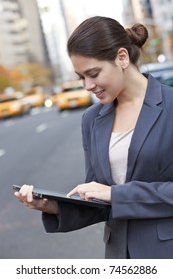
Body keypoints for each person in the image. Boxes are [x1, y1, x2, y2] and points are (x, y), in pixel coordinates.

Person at [14, 16, 173, 259]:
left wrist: (116, 194)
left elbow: (112, 196)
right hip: (118, 256)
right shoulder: (92, 119)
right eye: (81, 77)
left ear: (122, 57)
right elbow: (100, 199)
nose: (87, 86)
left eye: (93, 73)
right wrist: (54, 207)